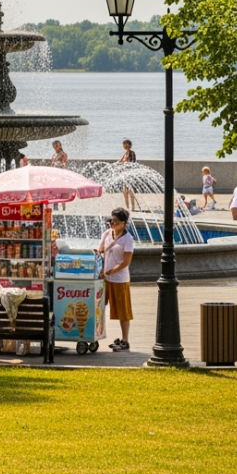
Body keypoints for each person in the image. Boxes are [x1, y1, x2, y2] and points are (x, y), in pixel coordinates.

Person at [98, 207, 134, 352]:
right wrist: (101, 264)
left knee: (123, 310)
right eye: (110, 221)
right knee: (98, 306)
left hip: (120, 279)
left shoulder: (128, 239)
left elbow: (126, 262)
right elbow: (100, 250)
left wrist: (112, 271)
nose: (111, 224)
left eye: (115, 222)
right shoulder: (107, 233)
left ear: (124, 223)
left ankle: (125, 340)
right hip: (105, 278)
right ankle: (95, 334)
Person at [118, 139, 138, 210]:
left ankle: (132, 207)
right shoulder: (125, 153)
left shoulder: (131, 153)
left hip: (129, 174)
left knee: (130, 190)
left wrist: (125, 164)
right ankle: (127, 207)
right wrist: (119, 170)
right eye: (124, 144)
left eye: (127, 144)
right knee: (125, 191)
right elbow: (119, 162)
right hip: (124, 174)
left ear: (130, 145)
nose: (125, 146)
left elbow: (132, 163)